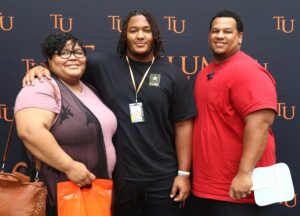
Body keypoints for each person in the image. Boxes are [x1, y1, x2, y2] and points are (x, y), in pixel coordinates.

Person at [23, 10, 196, 216]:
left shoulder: (173, 74)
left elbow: (183, 124)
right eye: (133, 30)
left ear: (154, 35)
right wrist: (40, 69)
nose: (140, 35)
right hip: (117, 178)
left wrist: (183, 174)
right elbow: (68, 66)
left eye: (146, 30)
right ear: (125, 35)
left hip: (163, 177)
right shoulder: (102, 65)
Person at [15, 32, 117, 215]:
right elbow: (30, 131)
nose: (72, 57)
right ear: (50, 60)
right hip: (60, 196)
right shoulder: (41, 86)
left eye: (78, 52)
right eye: (63, 53)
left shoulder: (90, 89)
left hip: (93, 194)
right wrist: (69, 167)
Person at [190, 10, 277, 216]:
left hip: (239, 191)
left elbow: (261, 123)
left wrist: (245, 174)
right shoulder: (204, 73)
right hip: (208, 188)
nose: (220, 35)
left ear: (240, 37)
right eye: (215, 31)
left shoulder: (248, 71)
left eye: (227, 31)